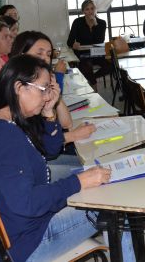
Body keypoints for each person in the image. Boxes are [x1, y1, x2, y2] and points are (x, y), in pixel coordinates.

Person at [0, 55, 135, 262]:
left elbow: (49, 152)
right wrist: (78, 182)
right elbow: (27, 203)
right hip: (25, 244)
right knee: (112, 203)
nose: (48, 96)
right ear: (20, 88)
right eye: (43, 89)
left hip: (15, 232)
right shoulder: (4, 139)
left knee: (91, 186)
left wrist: (48, 111)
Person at [11, 30, 96, 180]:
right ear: (22, 55)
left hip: (41, 157)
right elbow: (42, 146)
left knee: (92, 163)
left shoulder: (38, 82)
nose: (45, 59)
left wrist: (54, 91)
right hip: (31, 169)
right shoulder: (21, 89)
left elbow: (66, 123)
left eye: (49, 54)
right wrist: (74, 135)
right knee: (91, 169)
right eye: (39, 53)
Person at [66, 0, 109, 90]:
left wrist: (95, 24)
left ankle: (91, 78)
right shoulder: (77, 22)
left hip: (96, 52)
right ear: (83, 11)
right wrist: (74, 45)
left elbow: (100, 40)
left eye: (92, 8)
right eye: (87, 9)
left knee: (110, 66)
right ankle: (94, 84)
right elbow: (69, 41)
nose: (90, 11)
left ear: (95, 9)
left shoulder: (101, 23)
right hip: (82, 53)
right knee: (86, 66)